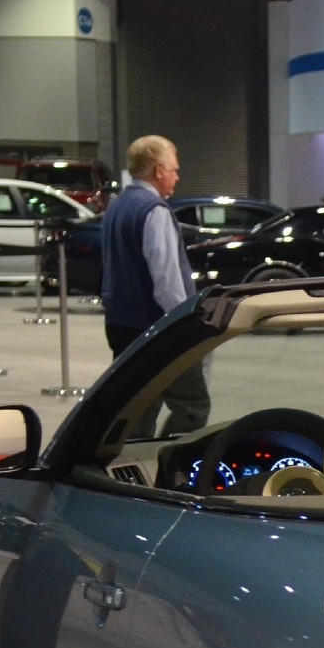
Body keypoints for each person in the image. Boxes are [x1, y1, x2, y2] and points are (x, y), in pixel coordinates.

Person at [100, 133, 209, 437]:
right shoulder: (154, 211)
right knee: (192, 405)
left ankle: (134, 471)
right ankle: (170, 466)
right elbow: (167, 282)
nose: (177, 176)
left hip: (121, 326)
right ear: (158, 170)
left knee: (138, 407)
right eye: (174, 169)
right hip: (155, 329)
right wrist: (185, 326)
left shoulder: (117, 207)